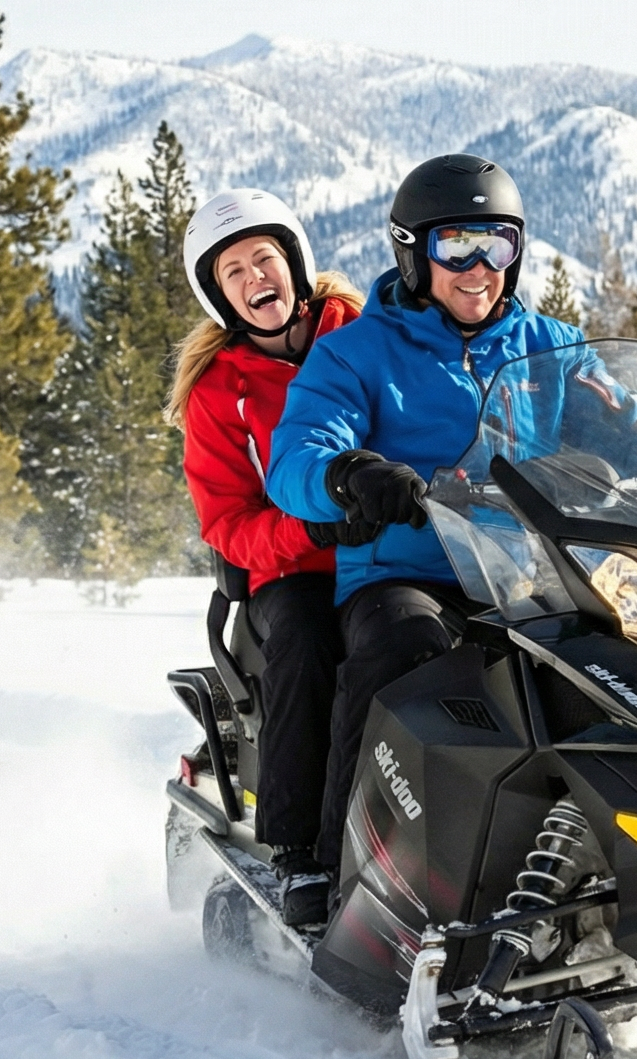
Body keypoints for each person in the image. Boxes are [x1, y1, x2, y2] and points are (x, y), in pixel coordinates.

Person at [264, 154, 589, 882]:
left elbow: (636, 417)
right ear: (413, 255)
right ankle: (336, 865)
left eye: (496, 245)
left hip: (538, 573)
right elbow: (296, 459)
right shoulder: (353, 355)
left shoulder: (555, 348)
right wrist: (347, 474)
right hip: (410, 571)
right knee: (402, 647)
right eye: (456, 247)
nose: (479, 268)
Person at [170, 188, 372, 927]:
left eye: (264, 258)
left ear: (294, 262)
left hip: (394, 553)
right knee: (311, 643)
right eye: (234, 271)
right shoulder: (218, 390)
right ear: (220, 295)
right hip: (294, 574)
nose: (256, 277)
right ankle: (299, 854)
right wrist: (310, 536)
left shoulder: (361, 332)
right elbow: (227, 521)